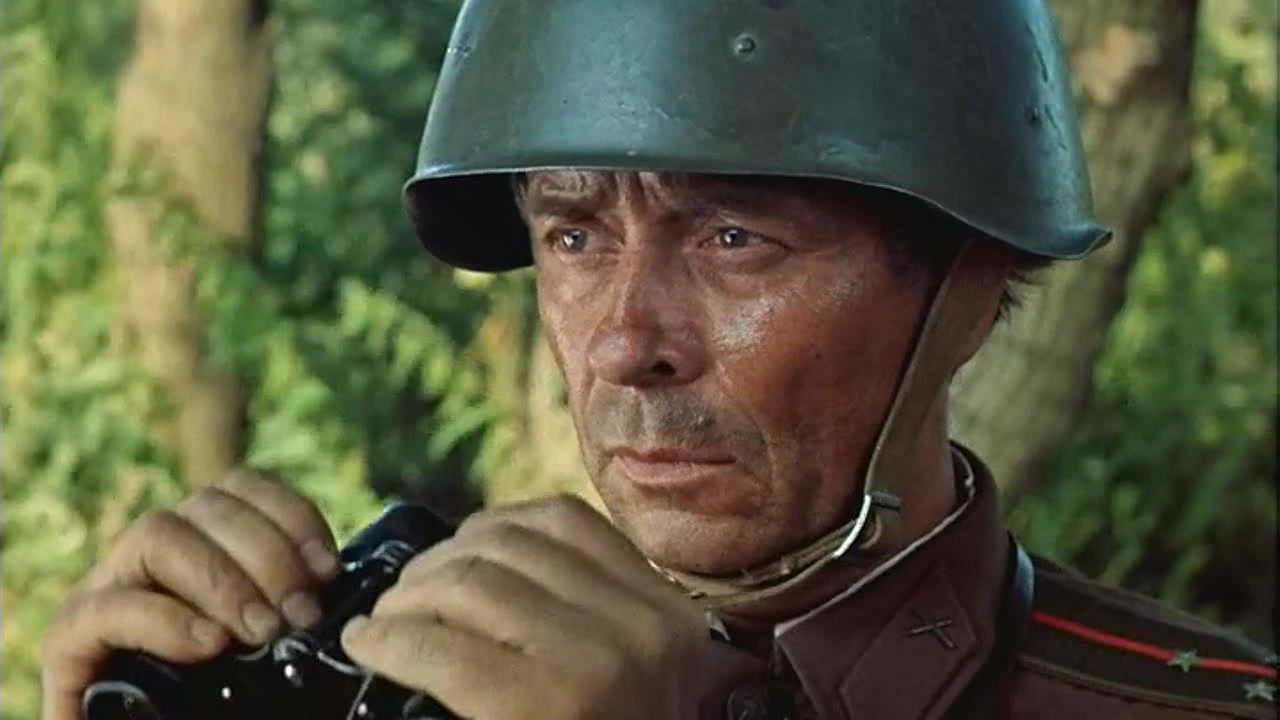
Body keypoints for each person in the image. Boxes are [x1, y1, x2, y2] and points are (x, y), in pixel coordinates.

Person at [42, 1, 1277, 718]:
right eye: (574, 235)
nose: (627, 344)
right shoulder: (416, 669)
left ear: (971, 283)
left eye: (734, 239)